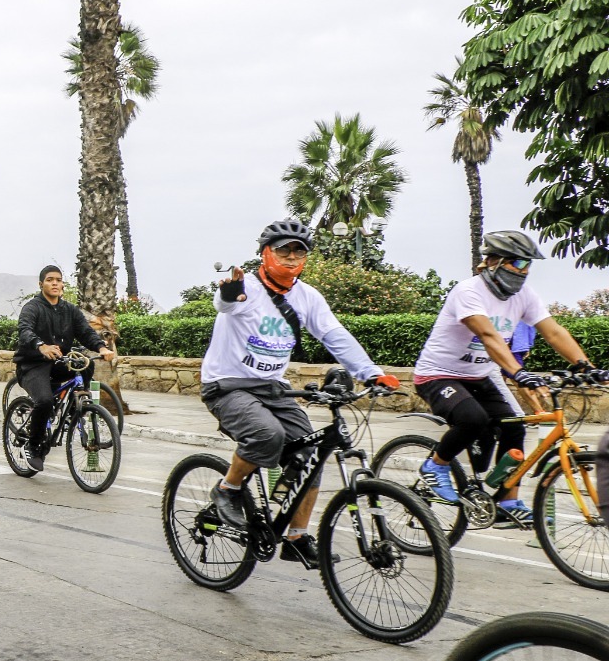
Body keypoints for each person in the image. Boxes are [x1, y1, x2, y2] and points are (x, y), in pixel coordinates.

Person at [202, 219, 401, 568]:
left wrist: (372, 374)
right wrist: (229, 292)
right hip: (228, 385)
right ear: (265, 253)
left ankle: (295, 536)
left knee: (311, 452)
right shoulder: (245, 287)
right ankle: (228, 490)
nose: (292, 256)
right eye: (283, 249)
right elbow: (226, 303)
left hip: (273, 388)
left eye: (299, 250)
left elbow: (334, 335)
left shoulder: (307, 297)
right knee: (267, 434)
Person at [412, 230, 608, 526]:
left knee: (515, 427)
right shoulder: (468, 291)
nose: (525, 270)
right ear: (492, 262)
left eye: (529, 263)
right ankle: (435, 466)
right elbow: (488, 335)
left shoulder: (524, 296)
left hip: (477, 375)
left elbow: (553, 332)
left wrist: (585, 366)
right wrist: (519, 373)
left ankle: (507, 501)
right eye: (517, 262)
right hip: (438, 375)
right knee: (473, 419)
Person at [11, 264, 116, 473]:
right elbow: (25, 330)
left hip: (58, 363)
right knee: (44, 401)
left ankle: (77, 406)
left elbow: (86, 332)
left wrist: (102, 348)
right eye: (50, 280)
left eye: (58, 280)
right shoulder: (33, 307)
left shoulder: (69, 310)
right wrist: (41, 346)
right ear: (41, 284)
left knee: (86, 364)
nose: (55, 283)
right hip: (32, 365)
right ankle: (32, 446)